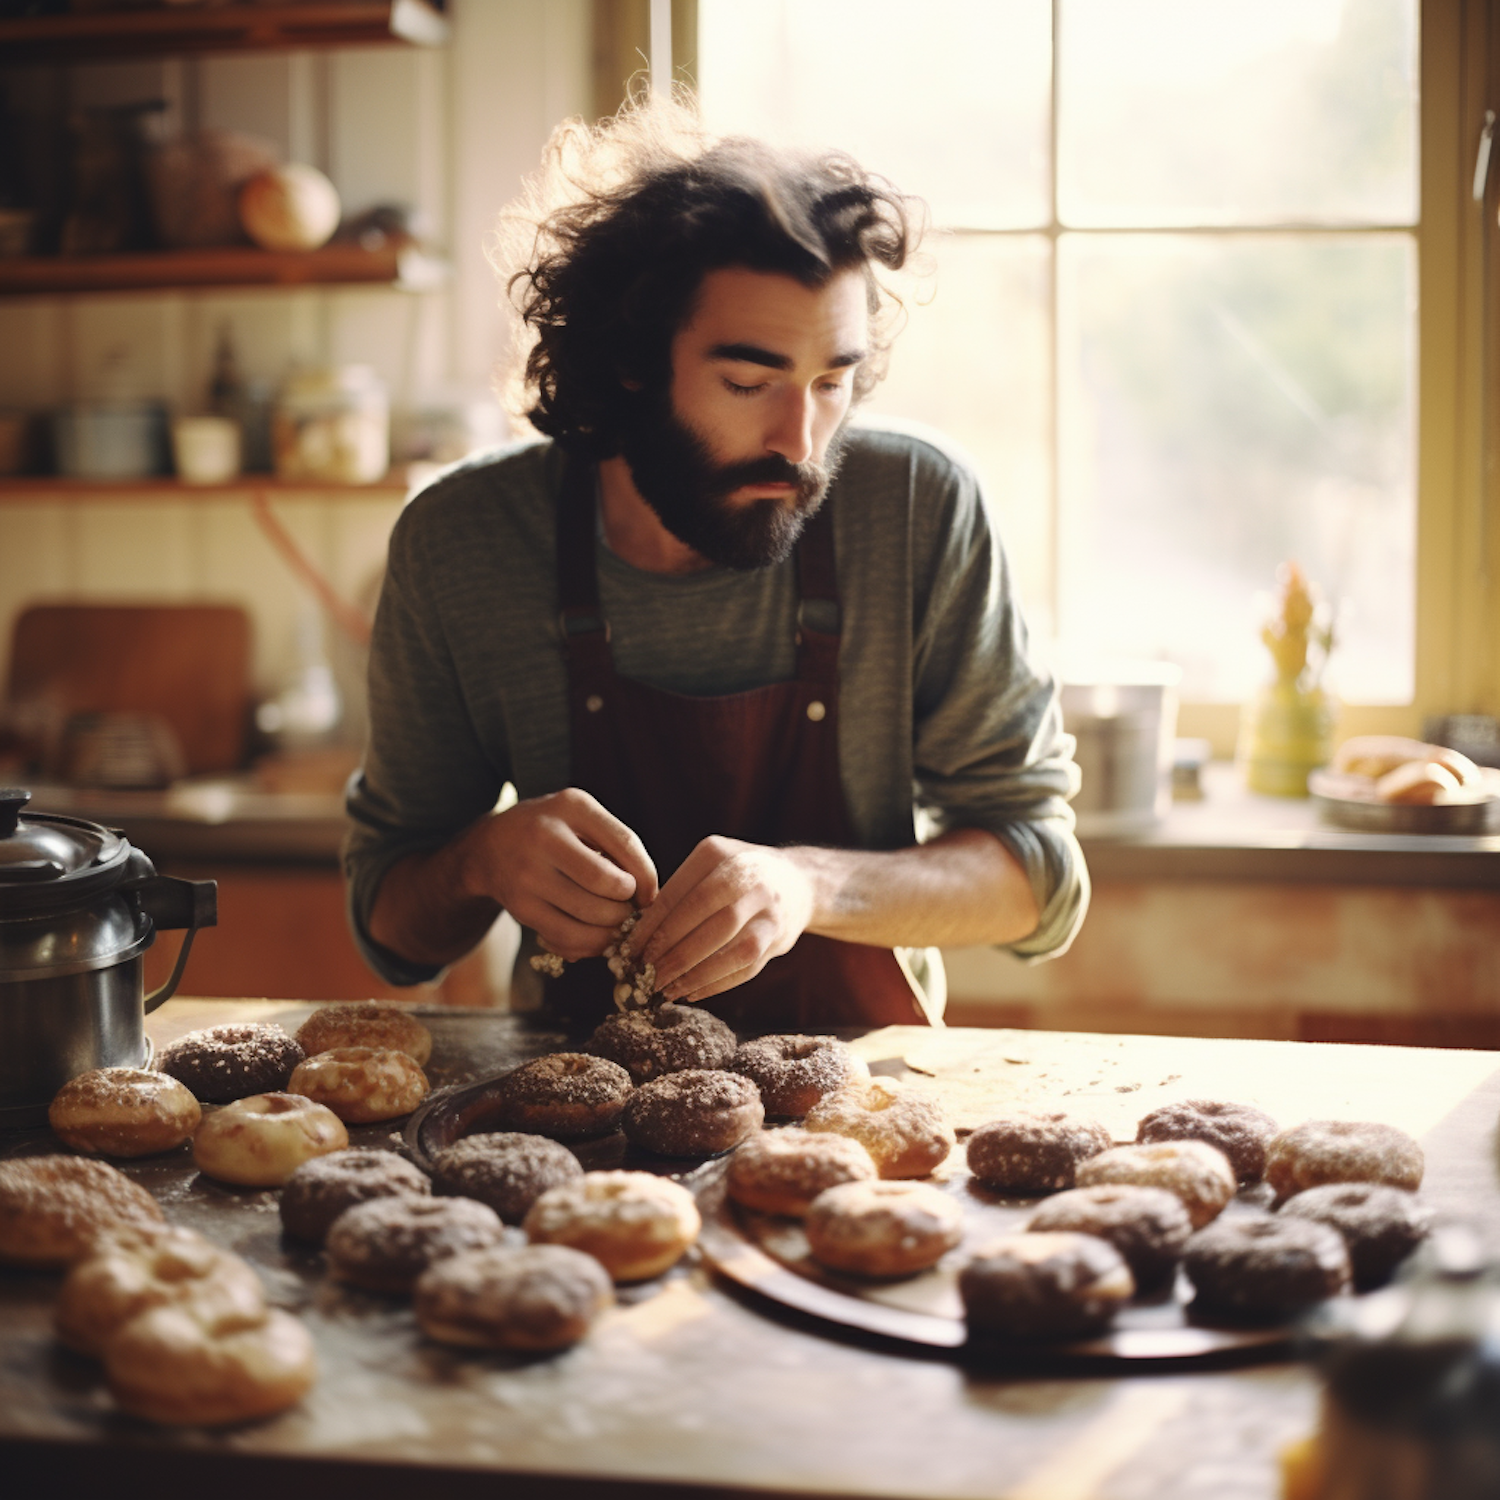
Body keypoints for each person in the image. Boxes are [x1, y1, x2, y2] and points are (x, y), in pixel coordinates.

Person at [344, 98, 1087, 1030]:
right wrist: (479, 860)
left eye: (833, 382)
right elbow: (391, 929)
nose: (803, 443)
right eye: (748, 383)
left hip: (863, 1122)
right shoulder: (463, 539)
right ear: (629, 365)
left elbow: (1040, 883)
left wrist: (808, 885)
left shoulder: (913, 507)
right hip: (574, 1109)